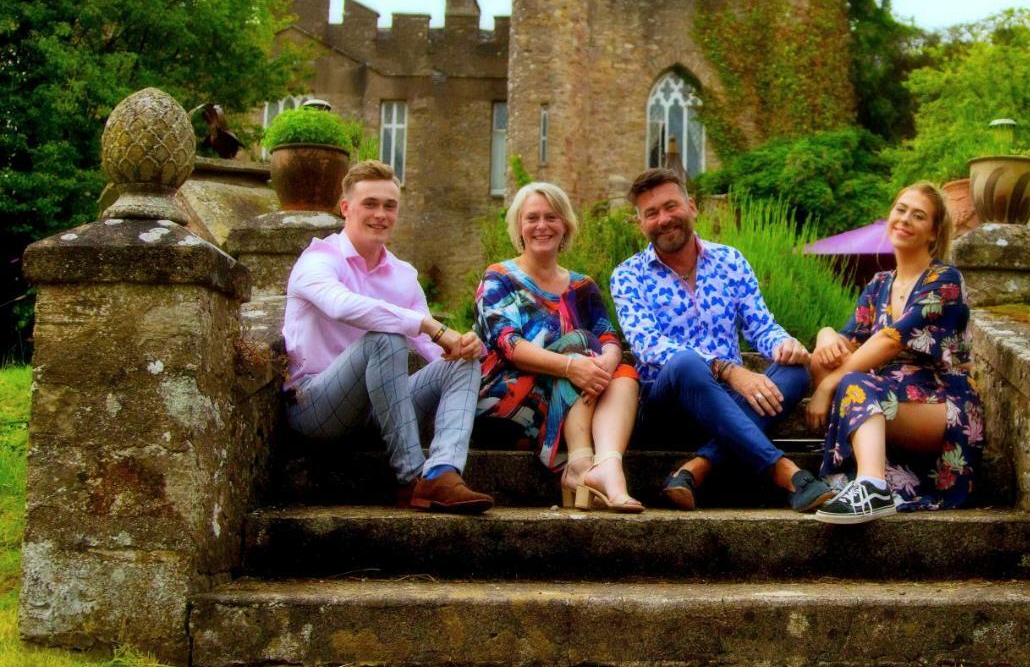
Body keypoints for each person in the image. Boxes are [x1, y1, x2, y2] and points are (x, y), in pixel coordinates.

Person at [611, 167, 834, 513]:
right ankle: (784, 471)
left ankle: (696, 468)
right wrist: (729, 371)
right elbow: (648, 346)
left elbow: (761, 326)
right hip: (668, 407)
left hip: (727, 405)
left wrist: (784, 344)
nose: (663, 219)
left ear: (692, 207)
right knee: (684, 363)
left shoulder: (730, 261)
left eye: (671, 206)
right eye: (651, 213)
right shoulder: (628, 276)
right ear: (640, 223)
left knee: (794, 371)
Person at [282, 160, 493, 513]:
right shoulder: (318, 259)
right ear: (346, 208)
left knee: (463, 360)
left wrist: (464, 346)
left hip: (379, 408)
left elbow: (432, 349)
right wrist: (427, 324)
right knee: (386, 337)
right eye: (370, 204)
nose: (380, 214)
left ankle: (442, 471)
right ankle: (414, 477)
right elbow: (340, 305)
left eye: (389, 206)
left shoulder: (402, 275)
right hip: (315, 406)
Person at [807, 181, 982, 525]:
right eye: (900, 210)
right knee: (823, 361)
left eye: (918, 216)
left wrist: (828, 387)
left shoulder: (945, 279)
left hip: (942, 407)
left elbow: (892, 339)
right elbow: (848, 339)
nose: (904, 220)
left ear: (933, 233)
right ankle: (871, 478)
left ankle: (872, 486)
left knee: (852, 382)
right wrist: (824, 335)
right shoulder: (878, 285)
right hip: (893, 402)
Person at [475, 182, 643, 512]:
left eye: (551, 217)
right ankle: (580, 463)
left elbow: (609, 339)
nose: (541, 225)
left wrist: (603, 366)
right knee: (580, 345)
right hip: (505, 399)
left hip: (571, 396)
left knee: (623, 372)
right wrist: (573, 366)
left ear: (564, 224)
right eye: (532, 218)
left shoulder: (582, 286)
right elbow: (509, 346)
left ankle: (606, 467)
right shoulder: (499, 278)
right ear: (519, 227)